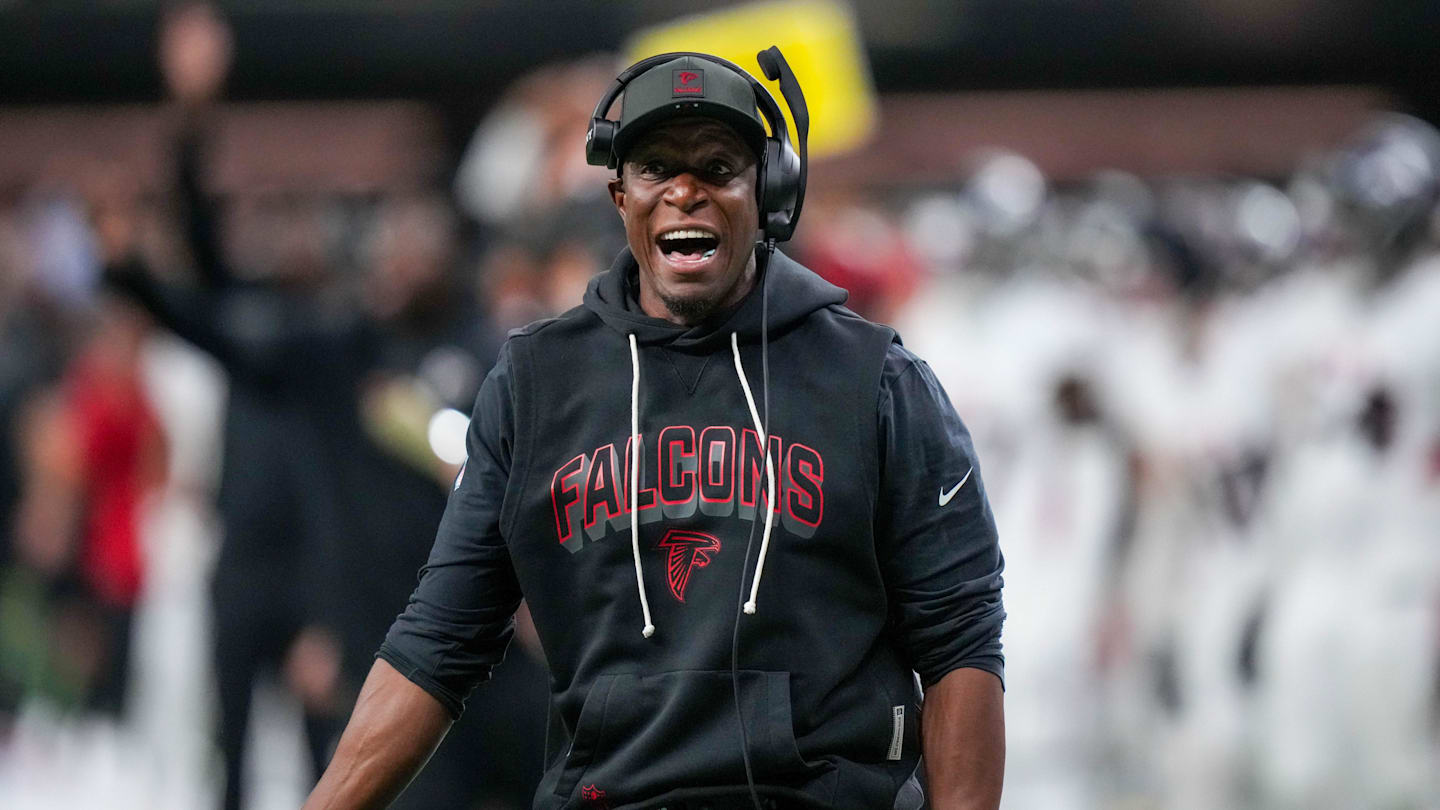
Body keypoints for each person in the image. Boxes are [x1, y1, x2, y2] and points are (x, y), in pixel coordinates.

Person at [305, 51, 1006, 810]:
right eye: (656, 167)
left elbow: (960, 639)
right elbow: (438, 641)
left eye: (716, 166)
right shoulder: (536, 384)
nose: (684, 191)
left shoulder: (878, 382)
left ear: (768, 191)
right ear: (619, 194)